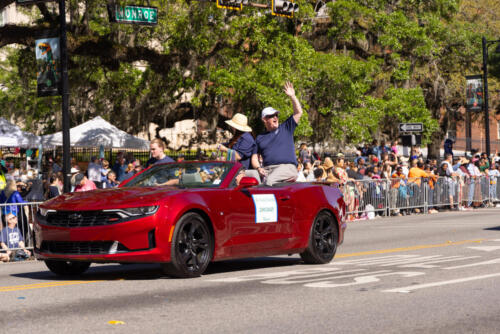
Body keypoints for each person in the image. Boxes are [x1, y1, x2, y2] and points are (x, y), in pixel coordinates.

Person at [251, 81, 303, 186]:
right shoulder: (260, 137)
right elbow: (254, 157)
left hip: (286, 168)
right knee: (246, 175)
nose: (275, 117)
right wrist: (258, 168)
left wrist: (292, 96)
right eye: (271, 116)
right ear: (264, 119)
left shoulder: (286, 128)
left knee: (269, 182)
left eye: (276, 115)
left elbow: (298, 112)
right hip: (267, 170)